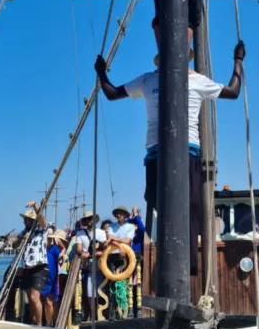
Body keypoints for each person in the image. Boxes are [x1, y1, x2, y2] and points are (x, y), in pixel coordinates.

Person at [95, 42, 244, 276]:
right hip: (156, 151)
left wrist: (238, 60)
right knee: (157, 204)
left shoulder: (197, 80)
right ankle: (162, 259)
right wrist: (101, 72)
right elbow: (112, 94)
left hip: (188, 150)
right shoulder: (147, 79)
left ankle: (190, 262)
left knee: (191, 206)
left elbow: (234, 92)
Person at [15, 203, 50, 326]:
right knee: (30, 298)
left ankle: (39, 324)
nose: (26, 221)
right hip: (27, 268)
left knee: (35, 297)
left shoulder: (41, 229)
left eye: (29, 219)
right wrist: (20, 239)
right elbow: (14, 245)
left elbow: (41, 218)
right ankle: (33, 320)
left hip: (39, 267)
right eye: (25, 219)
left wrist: (35, 206)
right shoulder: (24, 231)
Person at [75, 213, 106, 319]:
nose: (88, 221)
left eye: (90, 218)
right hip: (87, 267)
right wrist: (84, 255)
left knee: (101, 292)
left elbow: (104, 249)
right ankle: (92, 315)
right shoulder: (79, 233)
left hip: (100, 267)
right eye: (86, 219)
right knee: (88, 293)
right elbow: (79, 249)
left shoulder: (101, 233)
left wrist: (95, 253)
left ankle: (99, 314)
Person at [42, 230, 68, 327]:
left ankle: (48, 324)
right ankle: (40, 323)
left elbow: (63, 251)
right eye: (46, 238)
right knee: (40, 301)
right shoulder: (40, 249)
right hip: (41, 278)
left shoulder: (54, 249)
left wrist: (62, 253)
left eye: (49, 238)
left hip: (51, 279)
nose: (47, 240)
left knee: (49, 302)